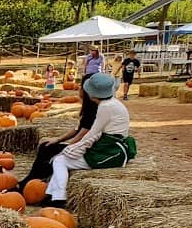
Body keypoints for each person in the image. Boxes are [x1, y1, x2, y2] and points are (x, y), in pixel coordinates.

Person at [47, 72, 135, 206]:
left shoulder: (105, 107)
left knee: (60, 160)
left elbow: (93, 133)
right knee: (61, 159)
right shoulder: (113, 103)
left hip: (109, 152)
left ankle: (59, 197)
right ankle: (51, 195)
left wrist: (70, 148)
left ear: (92, 93)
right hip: (112, 147)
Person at [18, 90, 97, 190]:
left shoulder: (93, 111)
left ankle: (34, 185)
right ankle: (31, 181)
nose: (79, 90)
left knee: (52, 155)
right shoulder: (88, 109)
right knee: (46, 146)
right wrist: (58, 139)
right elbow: (76, 129)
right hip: (81, 146)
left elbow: (82, 135)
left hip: (86, 148)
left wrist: (68, 147)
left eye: (81, 87)